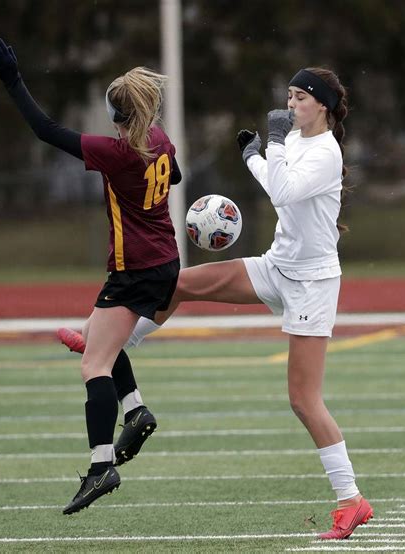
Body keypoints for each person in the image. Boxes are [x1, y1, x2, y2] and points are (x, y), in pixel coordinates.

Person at [58, 67, 373, 539]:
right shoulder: (302, 143)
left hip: (311, 285)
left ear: (322, 105)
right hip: (277, 266)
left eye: (299, 98)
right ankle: (111, 342)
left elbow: (283, 190)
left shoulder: (325, 150)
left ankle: (351, 500)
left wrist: (270, 144)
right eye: (287, 96)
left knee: (303, 400)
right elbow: (279, 179)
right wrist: (254, 155)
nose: (290, 105)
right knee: (178, 283)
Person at [0, 38, 181, 514]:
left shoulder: (118, 152)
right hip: (164, 260)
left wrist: (13, 82)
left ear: (116, 114)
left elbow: (46, 130)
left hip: (134, 268)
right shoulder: (159, 140)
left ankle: (101, 467)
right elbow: (173, 177)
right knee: (96, 337)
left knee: (93, 365)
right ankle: (135, 410)